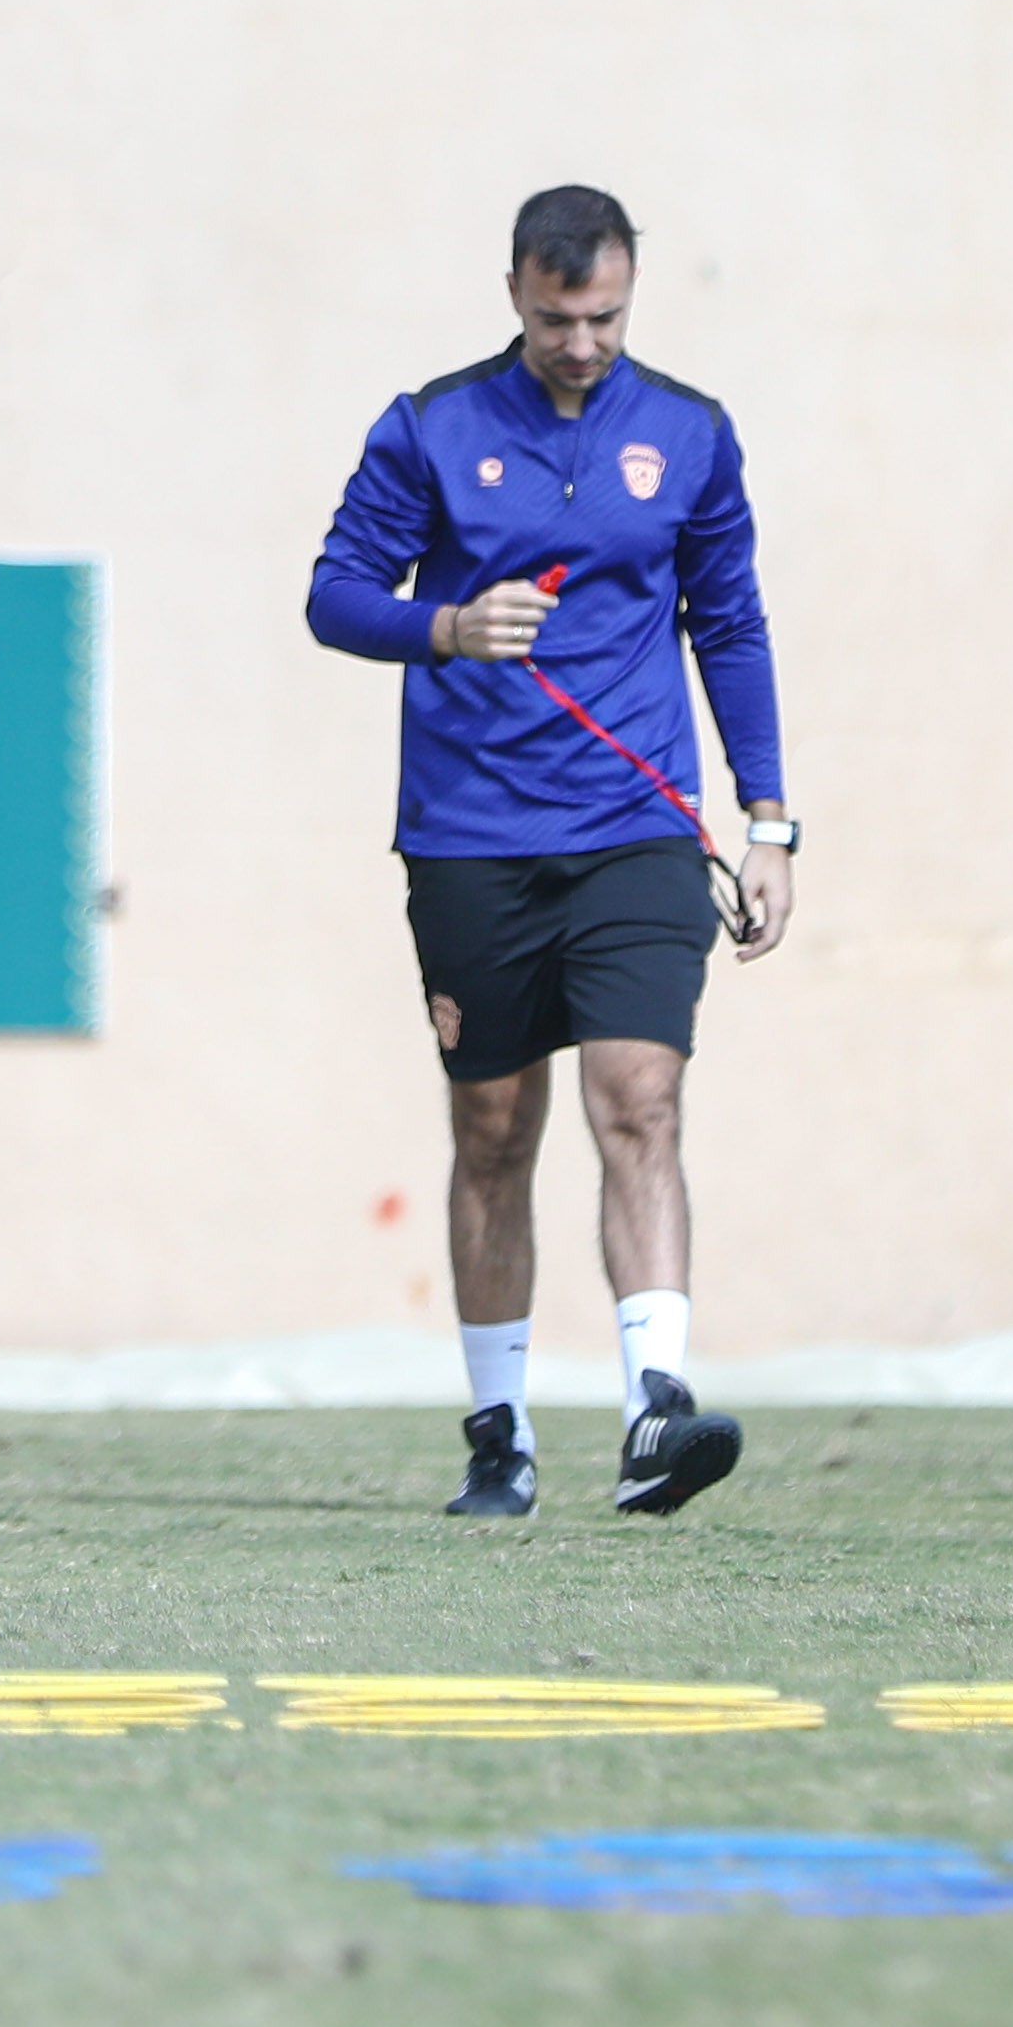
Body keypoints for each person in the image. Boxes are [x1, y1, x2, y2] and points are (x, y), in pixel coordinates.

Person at [306, 184, 793, 1526]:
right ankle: (499, 1433)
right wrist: (446, 625)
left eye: (606, 314)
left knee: (640, 1099)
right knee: (493, 1129)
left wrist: (768, 818)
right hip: (470, 832)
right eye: (556, 314)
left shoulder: (688, 431)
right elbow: (334, 595)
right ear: (514, 290)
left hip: (635, 825)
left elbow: (730, 625)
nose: (582, 339)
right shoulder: (432, 425)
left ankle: (655, 1410)